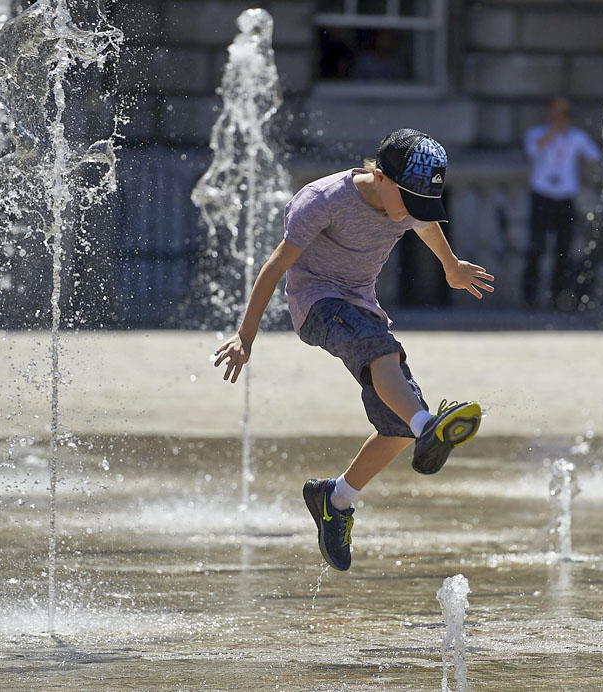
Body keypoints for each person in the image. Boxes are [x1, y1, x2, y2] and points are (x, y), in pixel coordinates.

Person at [212, 129, 495, 572]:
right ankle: (427, 426)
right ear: (379, 176)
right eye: (409, 200)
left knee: (395, 424)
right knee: (381, 351)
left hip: (362, 306)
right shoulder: (323, 200)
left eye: (424, 203)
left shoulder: (409, 202)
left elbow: (426, 225)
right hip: (317, 304)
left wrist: (451, 266)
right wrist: (245, 336)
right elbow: (275, 266)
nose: (414, 212)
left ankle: (336, 499)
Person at [522, 96, 603, 309]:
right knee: (536, 247)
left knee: (563, 249)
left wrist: (585, 170)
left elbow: (594, 156)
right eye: (557, 112)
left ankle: (557, 295)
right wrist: (553, 132)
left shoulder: (577, 137)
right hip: (542, 194)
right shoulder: (537, 133)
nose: (561, 117)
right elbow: (533, 150)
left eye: (565, 113)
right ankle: (529, 296)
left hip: (565, 196)